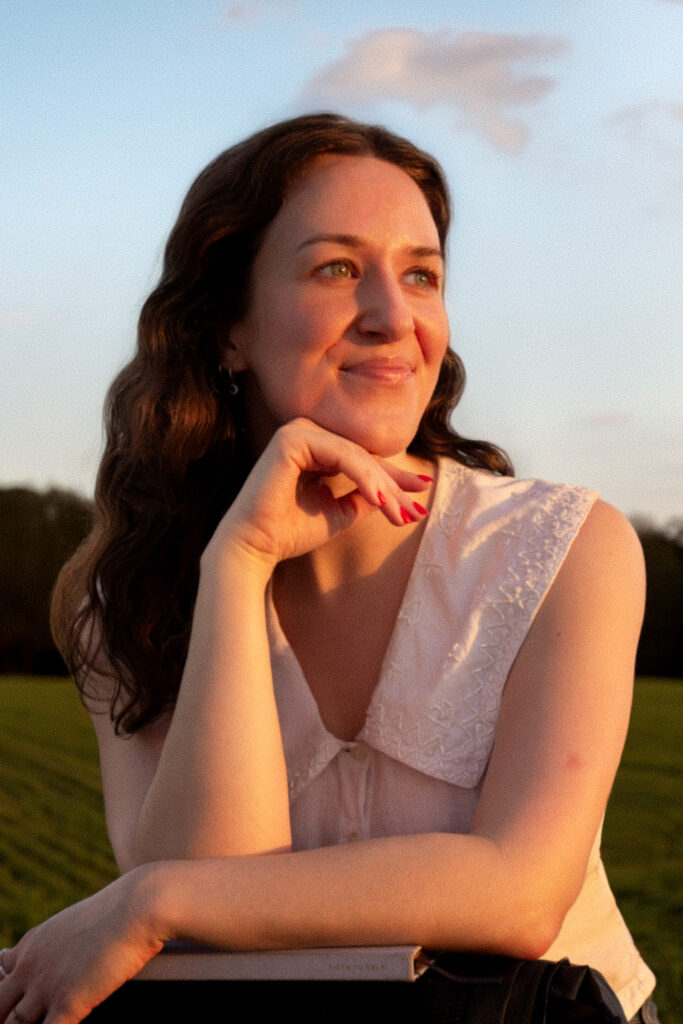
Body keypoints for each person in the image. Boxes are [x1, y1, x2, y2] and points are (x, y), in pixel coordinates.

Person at [0, 113, 658, 1024]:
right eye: (337, 268)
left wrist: (150, 900)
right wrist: (237, 566)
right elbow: (212, 933)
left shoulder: (565, 547)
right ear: (228, 327)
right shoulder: (125, 596)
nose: (395, 318)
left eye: (420, 274)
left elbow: (518, 890)